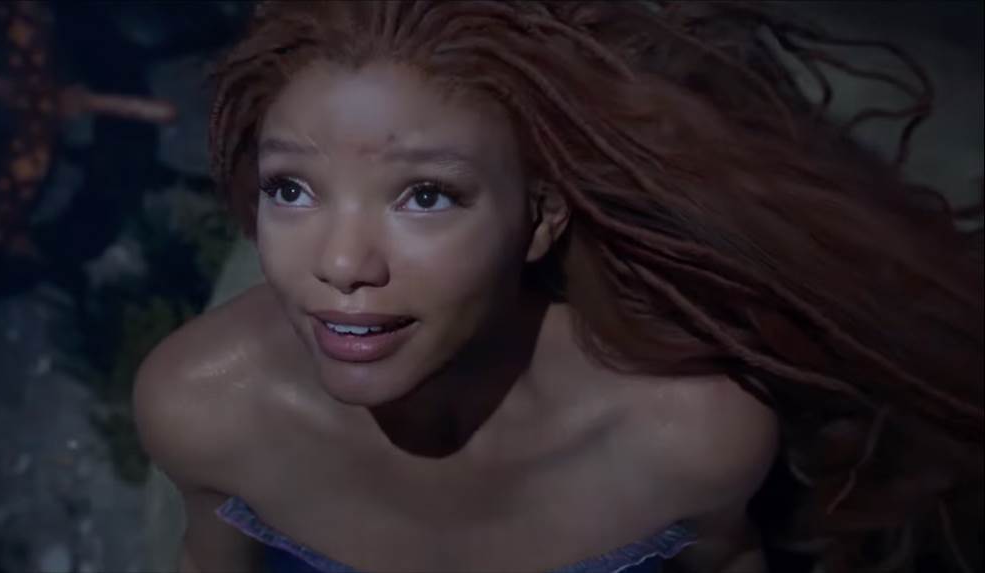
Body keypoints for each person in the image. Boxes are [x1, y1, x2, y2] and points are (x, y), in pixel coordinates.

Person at [135, 2, 984, 572]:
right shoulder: (200, 405)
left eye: (425, 195)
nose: (343, 263)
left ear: (539, 216)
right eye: (292, 189)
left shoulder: (688, 435)